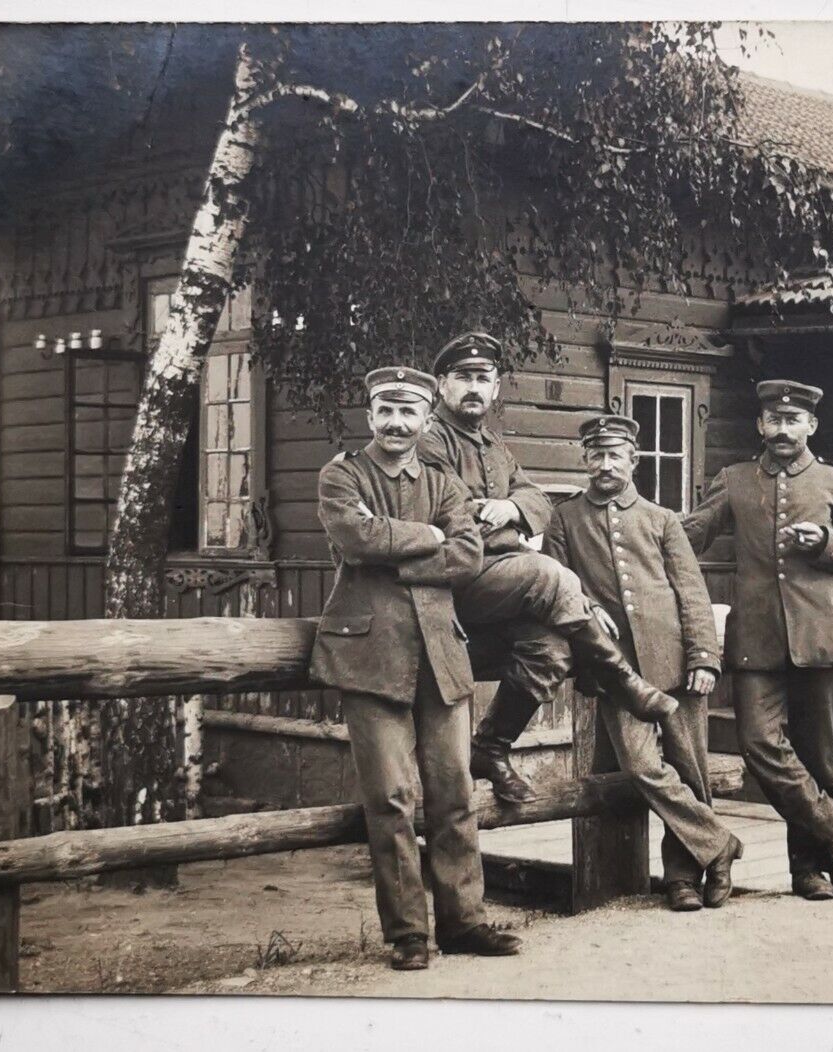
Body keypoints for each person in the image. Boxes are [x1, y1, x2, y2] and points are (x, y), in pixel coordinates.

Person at [309, 365, 522, 971]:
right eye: (386, 411)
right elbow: (354, 538)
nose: (397, 423)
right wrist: (425, 535)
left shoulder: (444, 482)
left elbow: (467, 553)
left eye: (409, 413)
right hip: (370, 656)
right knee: (393, 797)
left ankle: (464, 922)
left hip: (441, 656)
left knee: (454, 792)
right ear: (370, 415)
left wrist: (401, 552)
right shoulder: (342, 474)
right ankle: (408, 934)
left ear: (427, 419)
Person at [419, 330, 680, 806]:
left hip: (501, 579)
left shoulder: (493, 445)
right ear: (441, 386)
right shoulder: (431, 442)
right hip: (452, 582)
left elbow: (536, 496)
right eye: (463, 378)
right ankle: (622, 678)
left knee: (551, 650)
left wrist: (512, 509)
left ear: (496, 388)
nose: (474, 388)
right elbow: (450, 514)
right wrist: (496, 515)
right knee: (549, 573)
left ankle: (491, 746)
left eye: (484, 378)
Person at [683, 379, 833, 901]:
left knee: (818, 757)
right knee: (757, 744)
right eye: (773, 420)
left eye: (793, 421)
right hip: (757, 637)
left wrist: (827, 542)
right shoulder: (735, 479)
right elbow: (690, 537)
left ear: (811, 426)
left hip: (821, 632)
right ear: (760, 425)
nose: (782, 429)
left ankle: (808, 871)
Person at [542, 414, 743, 911]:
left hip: (675, 662)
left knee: (690, 771)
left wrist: (703, 657)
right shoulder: (564, 519)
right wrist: (584, 605)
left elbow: (692, 593)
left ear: (633, 461)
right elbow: (554, 583)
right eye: (596, 455)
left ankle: (681, 878)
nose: (605, 465)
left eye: (615, 455)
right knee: (641, 767)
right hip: (616, 671)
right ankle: (720, 844)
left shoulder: (661, 519)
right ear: (585, 460)